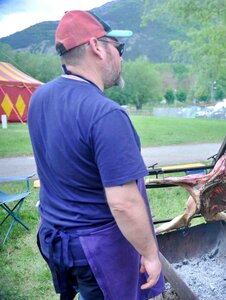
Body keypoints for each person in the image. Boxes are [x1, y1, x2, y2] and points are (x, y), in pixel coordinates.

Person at [28, 10, 164, 300]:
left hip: (55, 237)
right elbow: (124, 203)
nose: (122, 57)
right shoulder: (106, 114)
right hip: (96, 251)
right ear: (96, 47)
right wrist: (151, 255)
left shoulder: (39, 97)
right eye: (119, 48)